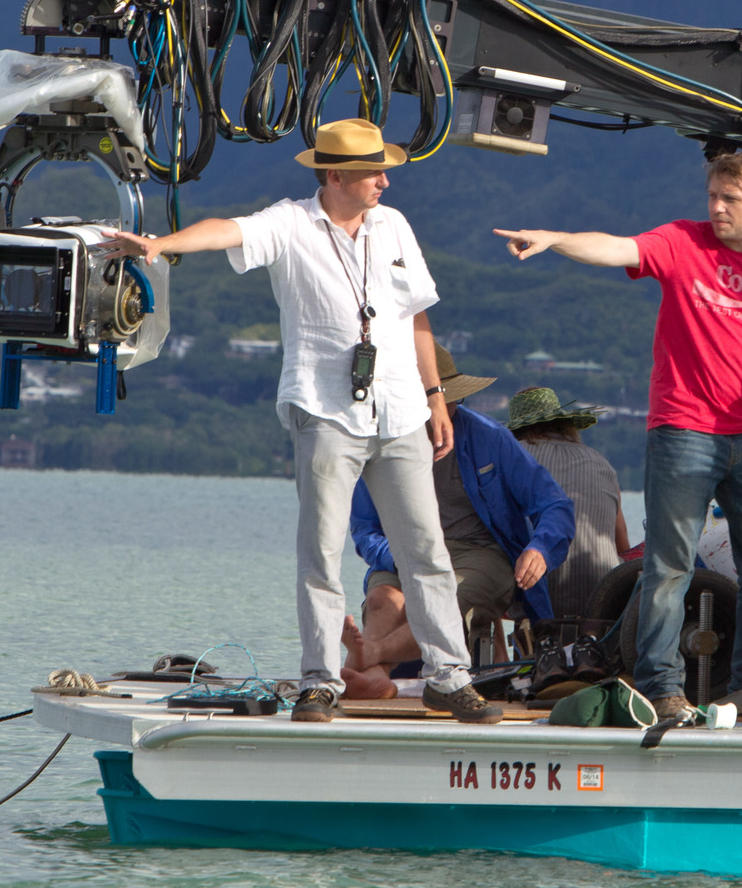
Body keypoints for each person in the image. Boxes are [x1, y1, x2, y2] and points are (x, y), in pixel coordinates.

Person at [97, 118, 498, 726]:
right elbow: (226, 230)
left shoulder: (394, 225)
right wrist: (161, 245)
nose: (385, 182)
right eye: (373, 173)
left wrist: (436, 396)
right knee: (320, 551)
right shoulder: (289, 221)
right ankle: (320, 681)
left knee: (426, 549)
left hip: (401, 410)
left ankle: (449, 676)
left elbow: (418, 317)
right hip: (324, 410)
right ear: (335, 175)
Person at [495, 151, 742, 724]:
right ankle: (661, 684)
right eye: (713, 196)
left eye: (731, 200)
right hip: (683, 428)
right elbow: (616, 246)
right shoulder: (681, 242)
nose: (717, 208)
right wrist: (555, 237)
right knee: (670, 563)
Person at [342, 349, 575, 696]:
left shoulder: (489, 436)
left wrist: (540, 548)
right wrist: (400, 558)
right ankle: (376, 678)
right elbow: (365, 530)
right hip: (404, 550)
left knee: (445, 598)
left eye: (449, 400)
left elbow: (554, 504)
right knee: (382, 600)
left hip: (480, 553)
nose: (442, 410)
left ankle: (366, 658)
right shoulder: (379, 443)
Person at [507, 386, 630, 618]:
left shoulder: (515, 457)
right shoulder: (601, 462)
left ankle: (508, 653)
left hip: (538, 591)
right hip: (604, 595)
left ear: (517, 431)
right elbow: (623, 547)